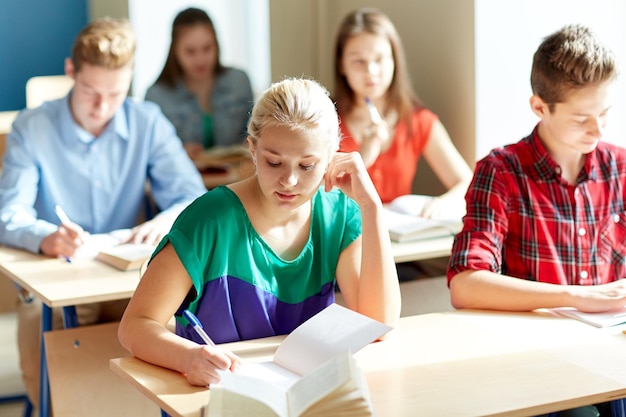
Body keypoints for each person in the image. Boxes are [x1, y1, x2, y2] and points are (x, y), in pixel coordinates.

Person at [118, 77, 402, 387]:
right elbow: (135, 326)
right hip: (219, 396)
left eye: (306, 165)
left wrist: (370, 206)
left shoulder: (340, 215)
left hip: (305, 395)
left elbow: (378, 323)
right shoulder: (209, 220)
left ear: (333, 155)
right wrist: (188, 357)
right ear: (252, 148)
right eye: (274, 162)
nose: (289, 181)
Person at [0, 18, 207, 409]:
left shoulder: (148, 122)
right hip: (57, 285)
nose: (103, 107)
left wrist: (163, 222)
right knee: (54, 381)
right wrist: (47, 237)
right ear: (70, 72)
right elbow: (9, 214)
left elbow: (191, 198)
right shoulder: (32, 127)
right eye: (91, 91)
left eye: (116, 93)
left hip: (126, 279)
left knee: (158, 359)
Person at [447, 24, 624, 417]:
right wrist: (576, 297)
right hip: (542, 366)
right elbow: (465, 284)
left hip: (614, 356)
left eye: (605, 113)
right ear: (539, 107)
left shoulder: (621, 167)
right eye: (582, 119)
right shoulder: (502, 171)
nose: (598, 129)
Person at [333, 8, 472, 218]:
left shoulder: (418, 121)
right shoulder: (325, 123)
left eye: (379, 59)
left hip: (400, 242)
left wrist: (443, 204)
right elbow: (315, 196)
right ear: (342, 65)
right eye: (358, 61)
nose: (371, 71)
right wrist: (364, 156)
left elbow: (467, 182)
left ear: (394, 60)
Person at [145, 7, 254, 160]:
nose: (200, 60)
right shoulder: (156, 96)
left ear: (216, 45)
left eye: (207, 48)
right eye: (190, 51)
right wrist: (177, 151)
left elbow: (255, 132)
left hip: (238, 178)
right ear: (174, 51)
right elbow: (151, 153)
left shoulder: (239, 81)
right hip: (184, 180)